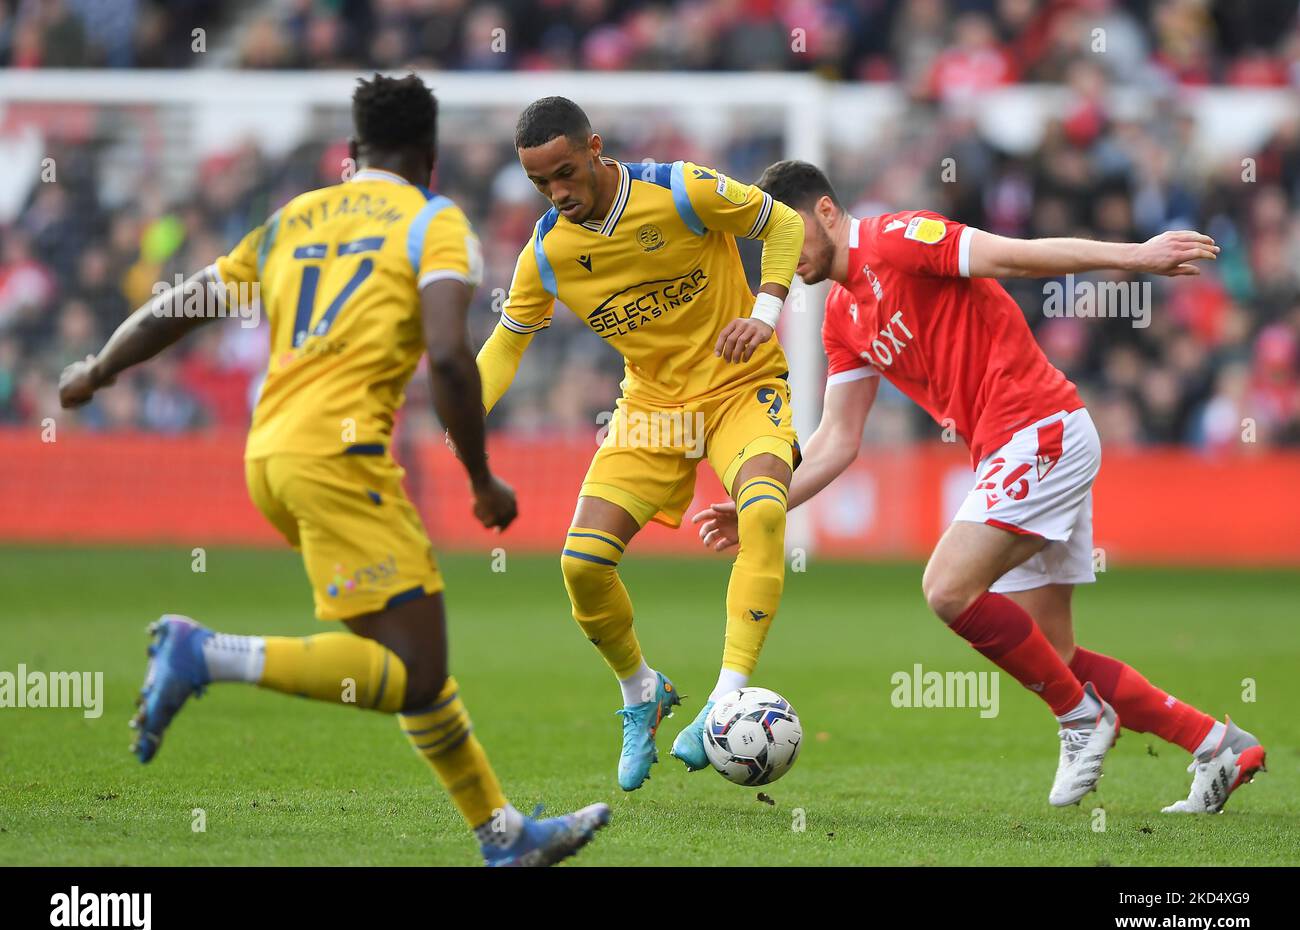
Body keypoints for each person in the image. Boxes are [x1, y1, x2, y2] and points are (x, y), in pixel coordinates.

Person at [58, 74, 609, 865]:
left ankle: (504, 836)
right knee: (415, 672)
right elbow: (452, 357)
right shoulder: (433, 221)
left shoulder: (293, 219)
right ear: (429, 157)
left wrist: (96, 369)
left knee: (400, 657)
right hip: (340, 459)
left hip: (270, 456)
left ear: (352, 154)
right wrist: (482, 479)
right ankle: (203, 652)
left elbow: (181, 303)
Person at [693, 160, 1266, 811]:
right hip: (1011, 450)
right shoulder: (841, 321)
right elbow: (836, 441)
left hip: (1041, 429)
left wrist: (1135, 254)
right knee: (1054, 652)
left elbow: (1016, 258)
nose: (781, 257)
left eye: (786, 235)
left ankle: (1081, 718)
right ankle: (1216, 743)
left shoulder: (900, 239)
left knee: (946, 588)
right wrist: (759, 503)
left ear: (825, 213)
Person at [473, 96, 805, 790]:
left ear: (594, 147)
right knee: (582, 565)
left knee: (765, 513)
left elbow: (783, 224)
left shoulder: (681, 189)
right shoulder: (548, 251)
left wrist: (766, 313)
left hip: (741, 387)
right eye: (541, 183)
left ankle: (723, 701)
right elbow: (506, 346)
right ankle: (640, 693)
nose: (557, 193)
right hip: (654, 410)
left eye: (565, 172)